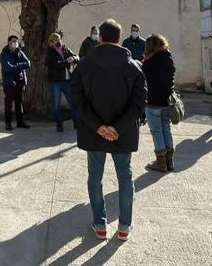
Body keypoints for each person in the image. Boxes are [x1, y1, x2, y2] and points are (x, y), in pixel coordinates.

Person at [70, 19, 147, 241]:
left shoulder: (84, 65)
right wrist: (116, 128)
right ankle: (124, 226)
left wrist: (99, 127)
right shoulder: (133, 66)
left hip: (93, 133)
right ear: (120, 37)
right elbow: (139, 103)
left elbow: (77, 99)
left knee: (95, 177)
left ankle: (100, 224)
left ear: (100, 37)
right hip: (123, 134)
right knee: (125, 177)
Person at [142, 34, 176, 173]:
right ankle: (170, 161)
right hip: (167, 100)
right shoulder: (168, 57)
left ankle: (161, 162)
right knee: (166, 129)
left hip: (153, 101)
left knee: (156, 131)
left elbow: (144, 80)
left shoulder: (149, 62)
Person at [45, 32, 79, 132]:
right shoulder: (49, 52)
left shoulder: (65, 49)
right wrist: (67, 62)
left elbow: (77, 57)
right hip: (55, 82)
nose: (59, 41)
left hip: (67, 81)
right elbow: (55, 65)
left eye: (59, 39)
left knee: (73, 102)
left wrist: (73, 58)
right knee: (56, 105)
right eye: (56, 40)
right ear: (51, 43)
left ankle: (76, 123)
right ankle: (59, 124)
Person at [0, 35, 31, 130]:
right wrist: (20, 67)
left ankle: (20, 122)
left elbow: (28, 63)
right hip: (9, 82)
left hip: (20, 81)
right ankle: (8, 123)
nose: (15, 43)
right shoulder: (4, 54)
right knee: (9, 104)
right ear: (8, 42)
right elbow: (7, 68)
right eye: (13, 41)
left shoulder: (19, 52)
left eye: (16, 41)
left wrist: (17, 65)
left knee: (19, 102)